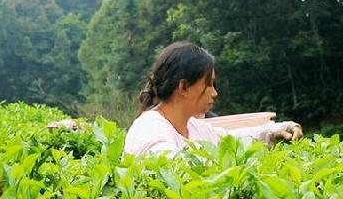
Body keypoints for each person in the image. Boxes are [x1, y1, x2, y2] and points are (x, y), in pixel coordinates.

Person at [124, 41, 303, 156]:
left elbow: (232, 139)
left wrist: (276, 131)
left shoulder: (193, 126)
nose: (214, 93)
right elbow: (177, 169)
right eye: (209, 84)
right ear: (183, 87)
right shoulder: (149, 130)